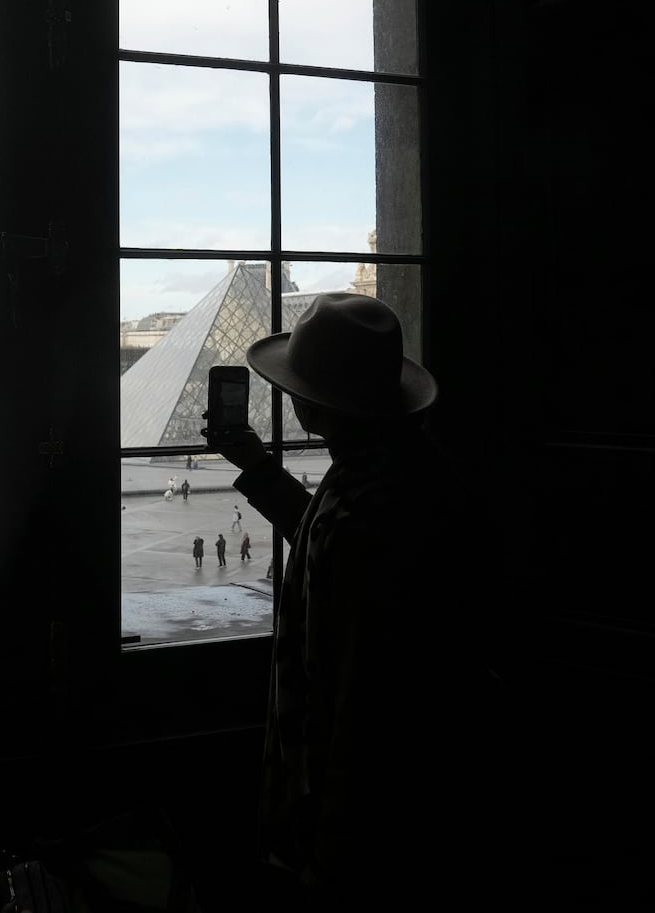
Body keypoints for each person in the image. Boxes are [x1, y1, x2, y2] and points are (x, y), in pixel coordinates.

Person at [203, 293, 493, 908]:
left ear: (314, 405)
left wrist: (330, 854)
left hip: (361, 827)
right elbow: (327, 540)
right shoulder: (398, 468)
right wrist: (256, 466)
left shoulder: (372, 505)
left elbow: (362, 701)